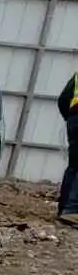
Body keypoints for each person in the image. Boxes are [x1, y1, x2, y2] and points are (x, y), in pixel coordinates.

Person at [61, 70, 78, 226]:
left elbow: (64, 98)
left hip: (74, 118)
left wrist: (71, 118)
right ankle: (72, 210)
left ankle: (64, 210)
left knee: (73, 166)